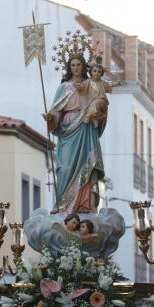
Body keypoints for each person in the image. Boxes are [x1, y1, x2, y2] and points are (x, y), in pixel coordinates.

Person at [43, 54, 105, 214]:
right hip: (68, 130)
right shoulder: (63, 88)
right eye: (73, 65)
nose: (76, 68)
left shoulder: (90, 85)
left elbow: (101, 102)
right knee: (64, 168)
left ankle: (85, 204)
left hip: (85, 127)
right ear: (69, 68)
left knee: (87, 165)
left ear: (84, 67)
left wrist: (96, 110)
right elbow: (56, 111)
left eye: (79, 65)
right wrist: (51, 117)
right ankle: (63, 205)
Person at [75, 63, 121, 128]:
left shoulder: (102, 83)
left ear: (101, 74)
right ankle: (94, 118)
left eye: (99, 72)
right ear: (91, 72)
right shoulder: (87, 82)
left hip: (102, 102)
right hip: (90, 103)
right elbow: (82, 86)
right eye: (94, 71)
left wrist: (117, 83)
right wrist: (77, 86)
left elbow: (109, 84)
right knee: (91, 105)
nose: (96, 73)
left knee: (96, 103)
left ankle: (88, 116)